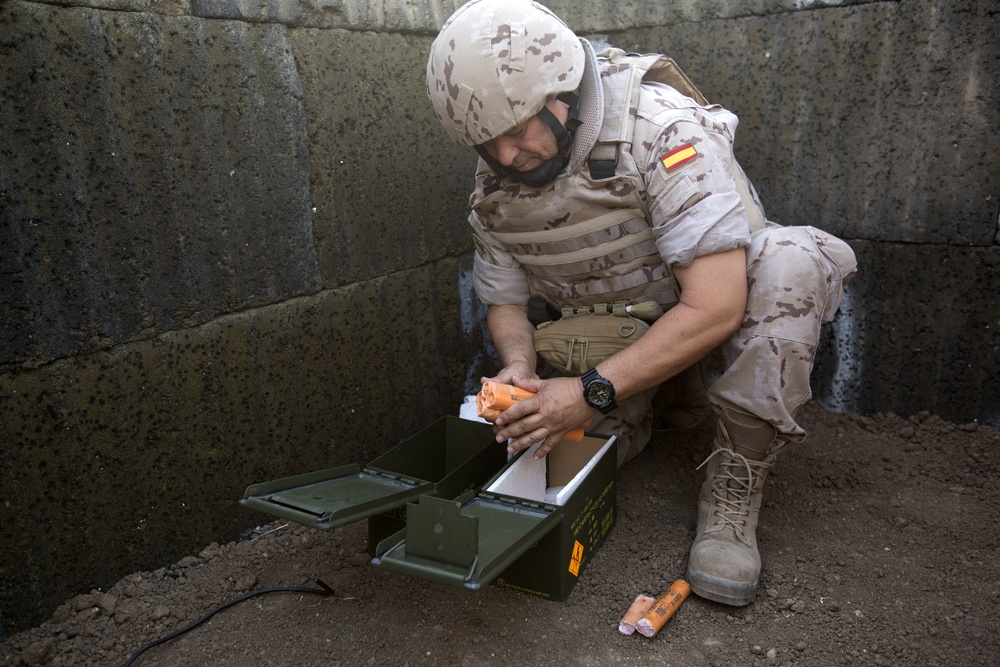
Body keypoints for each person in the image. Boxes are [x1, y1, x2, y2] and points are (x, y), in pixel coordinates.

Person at [426, 0, 857, 606]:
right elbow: (505, 300)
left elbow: (714, 306)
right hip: (613, 339)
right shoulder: (497, 180)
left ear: (563, 95)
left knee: (789, 261)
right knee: (550, 459)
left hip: (705, 324)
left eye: (517, 130)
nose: (505, 156)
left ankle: (735, 482)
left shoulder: (661, 127)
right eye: (484, 141)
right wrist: (520, 366)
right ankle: (661, 401)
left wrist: (587, 394)